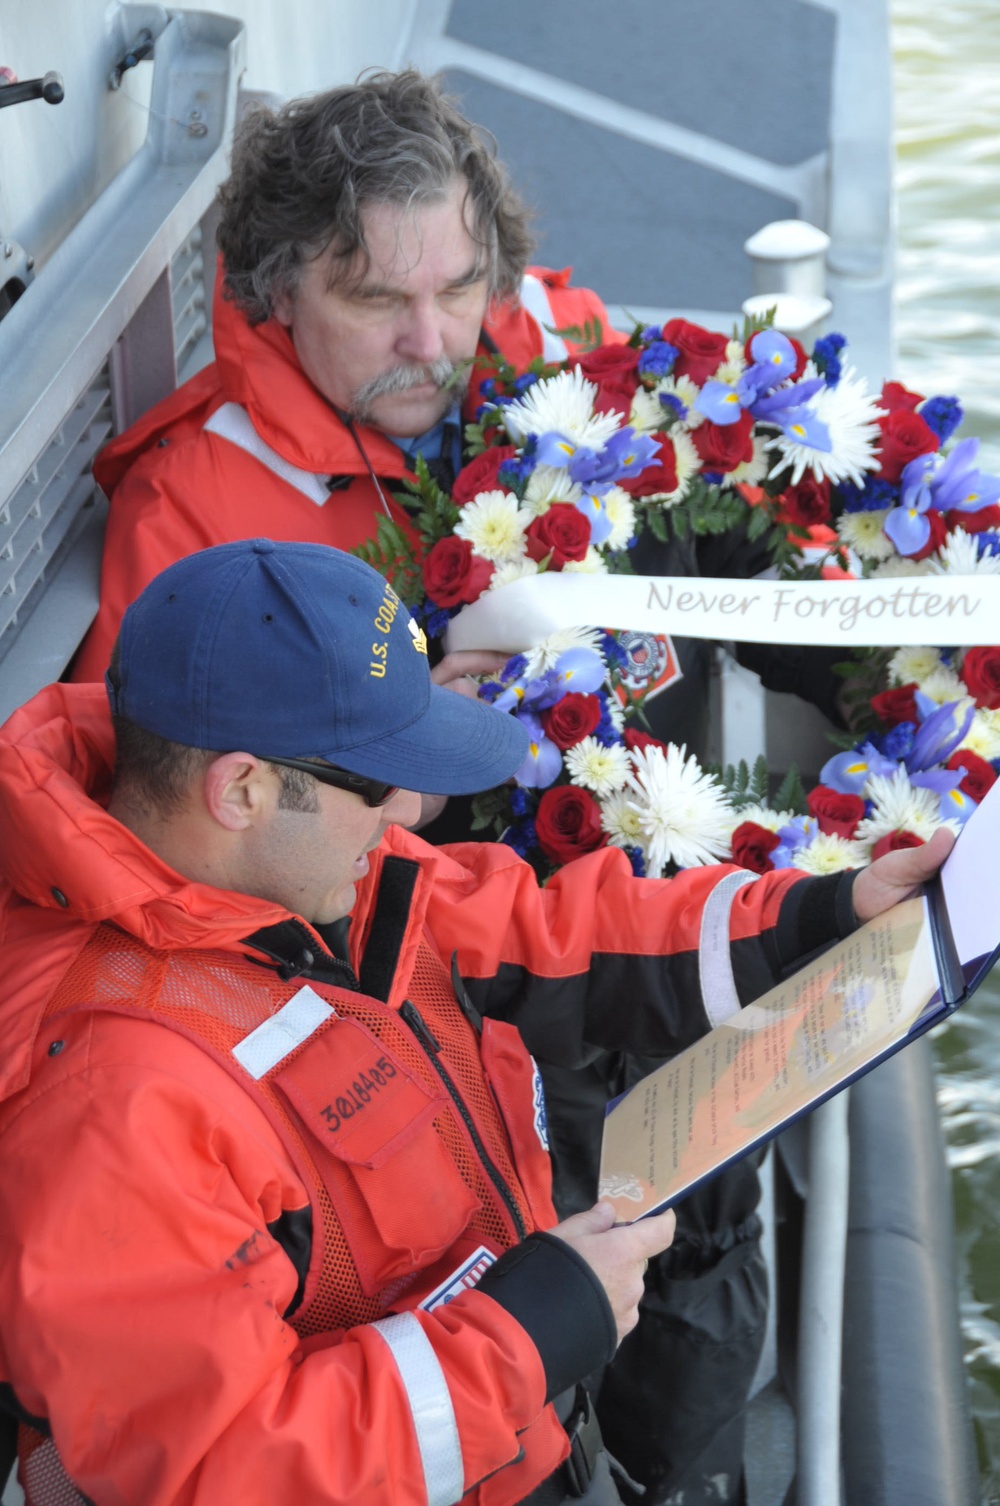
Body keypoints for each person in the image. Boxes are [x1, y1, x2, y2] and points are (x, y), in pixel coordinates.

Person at [68, 69, 849, 1503]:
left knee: (711, 1176)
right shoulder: (196, 511)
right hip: (435, 974)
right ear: (277, 288)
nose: (435, 344)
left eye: (460, 288)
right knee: (582, 1209)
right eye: (378, 303)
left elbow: (740, 493)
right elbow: (207, 822)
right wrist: (418, 766)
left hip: (558, 906)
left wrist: (838, 874)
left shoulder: (551, 355)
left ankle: (684, 1469)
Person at [0, 539, 949, 1506]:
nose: (409, 809)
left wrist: (822, 918)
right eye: (375, 781)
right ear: (238, 790)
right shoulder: (108, 1109)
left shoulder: (321, 877)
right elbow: (216, 1473)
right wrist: (528, 1336)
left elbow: (557, 937)